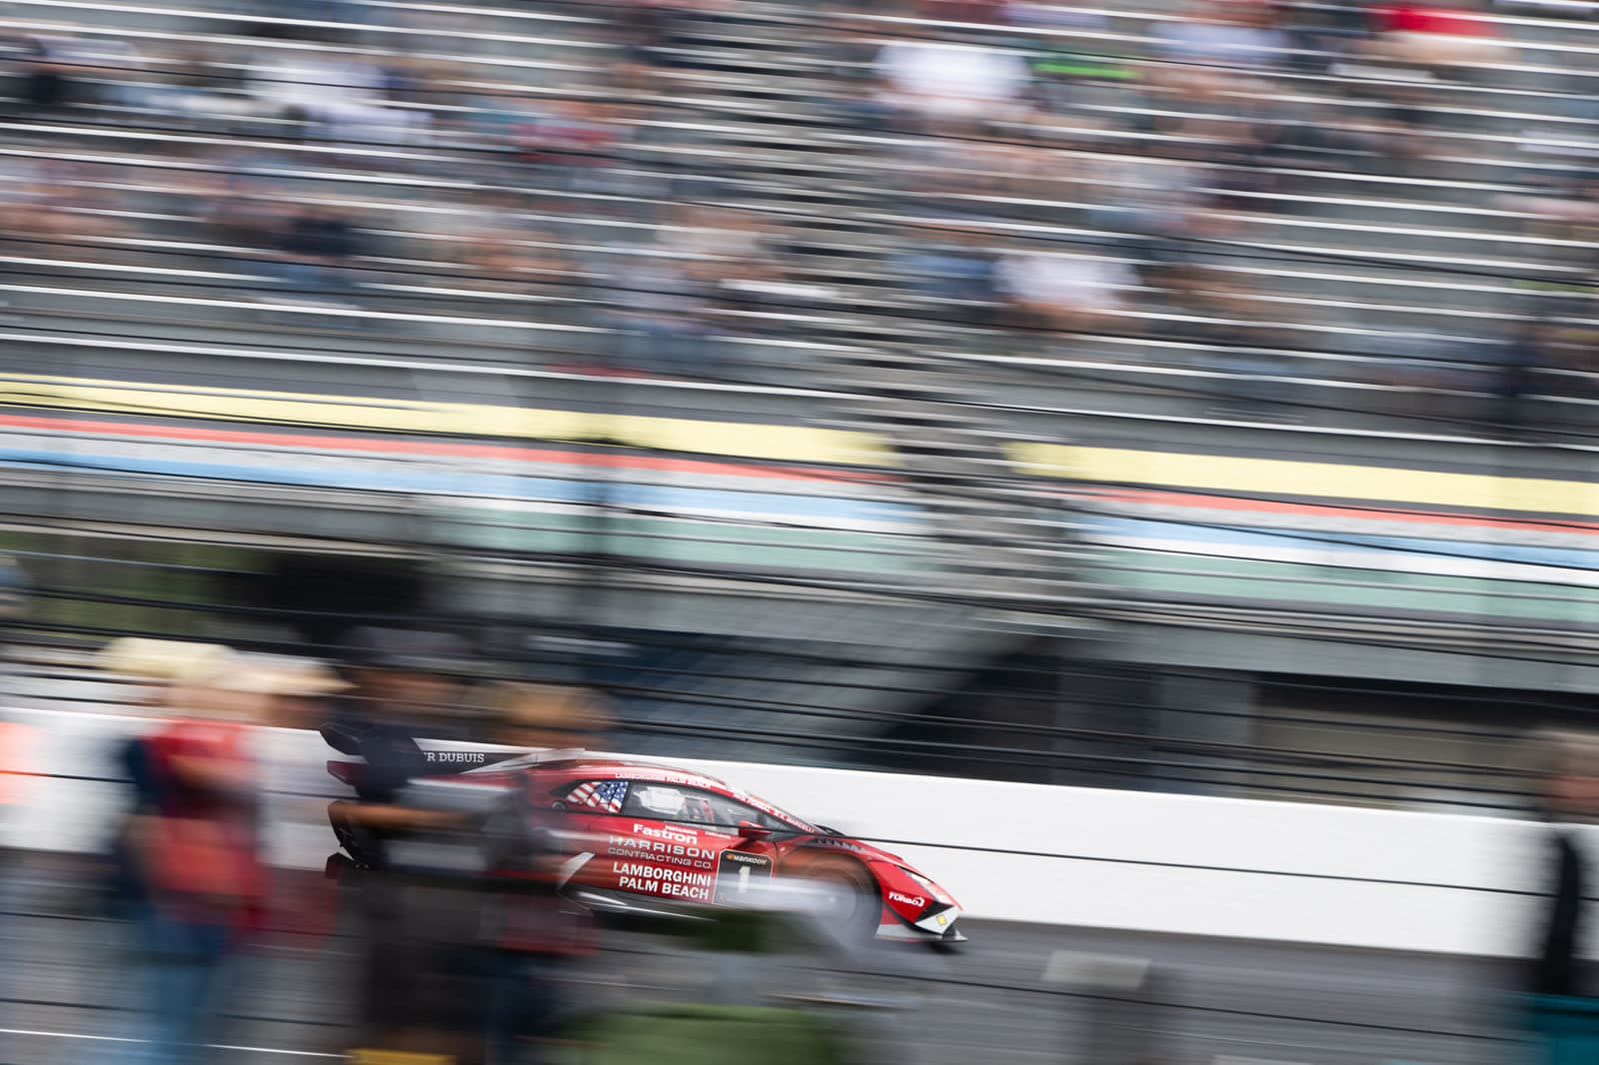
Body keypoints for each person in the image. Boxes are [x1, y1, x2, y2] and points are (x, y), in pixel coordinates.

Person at [328, 626, 479, 1061]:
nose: (420, 684)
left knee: (421, 1012)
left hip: (430, 896)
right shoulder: (349, 731)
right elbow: (342, 808)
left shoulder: (428, 734)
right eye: (401, 674)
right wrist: (436, 817)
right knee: (389, 1012)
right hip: (387, 893)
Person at [478, 683, 613, 1064]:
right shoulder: (503, 786)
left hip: (565, 952)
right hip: (513, 953)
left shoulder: (585, 791)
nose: (559, 742)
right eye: (544, 731)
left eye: (572, 733)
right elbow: (520, 856)